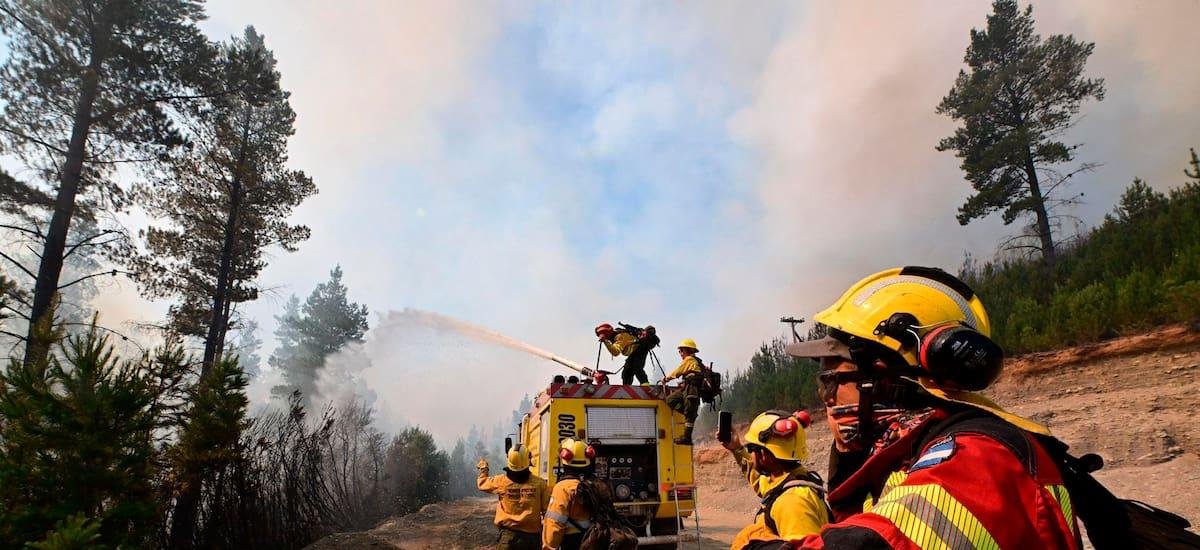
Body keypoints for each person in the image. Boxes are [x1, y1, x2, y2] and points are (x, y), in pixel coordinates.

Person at [752, 266, 1079, 549]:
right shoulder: (911, 456)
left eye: (830, 378)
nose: (826, 396)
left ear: (883, 374)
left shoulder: (975, 458)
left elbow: (879, 544)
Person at [723, 410, 830, 549]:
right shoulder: (785, 480)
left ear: (763, 454)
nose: (750, 453)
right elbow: (760, 482)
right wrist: (737, 449)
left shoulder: (792, 502)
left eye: (751, 448)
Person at [477, 444, 550, 550]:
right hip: (532, 539)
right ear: (528, 460)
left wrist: (483, 469)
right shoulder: (540, 484)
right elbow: (547, 513)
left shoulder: (501, 481)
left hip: (508, 539)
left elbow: (482, 483)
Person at [542, 438, 610, 550]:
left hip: (573, 543)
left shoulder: (563, 488)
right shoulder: (598, 484)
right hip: (597, 540)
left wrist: (549, 547)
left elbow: (555, 524)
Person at [662, 338, 704, 445]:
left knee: (689, 414)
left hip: (692, 390)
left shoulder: (689, 360)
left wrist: (666, 379)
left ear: (687, 350)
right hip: (687, 388)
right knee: (670, 400)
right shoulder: (693, 362)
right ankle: (689, 414)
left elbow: (678, 371)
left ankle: (687, 438)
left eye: (681, 351)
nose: (680, 353)